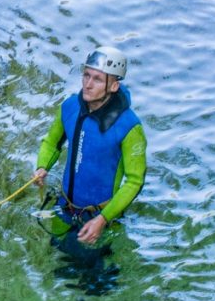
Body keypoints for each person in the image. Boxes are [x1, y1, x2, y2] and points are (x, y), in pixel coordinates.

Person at [34, 45, 147, 246]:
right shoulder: (70, 107)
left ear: (113, 86)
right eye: (86, 75)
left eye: (97, 79)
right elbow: (52, 143)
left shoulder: (130, 127)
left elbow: (134, 181)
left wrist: (103, 219)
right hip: (65, 206)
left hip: (102, 216)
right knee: (59, 259)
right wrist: (42, 167)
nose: (88, 84)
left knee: (97, 272)